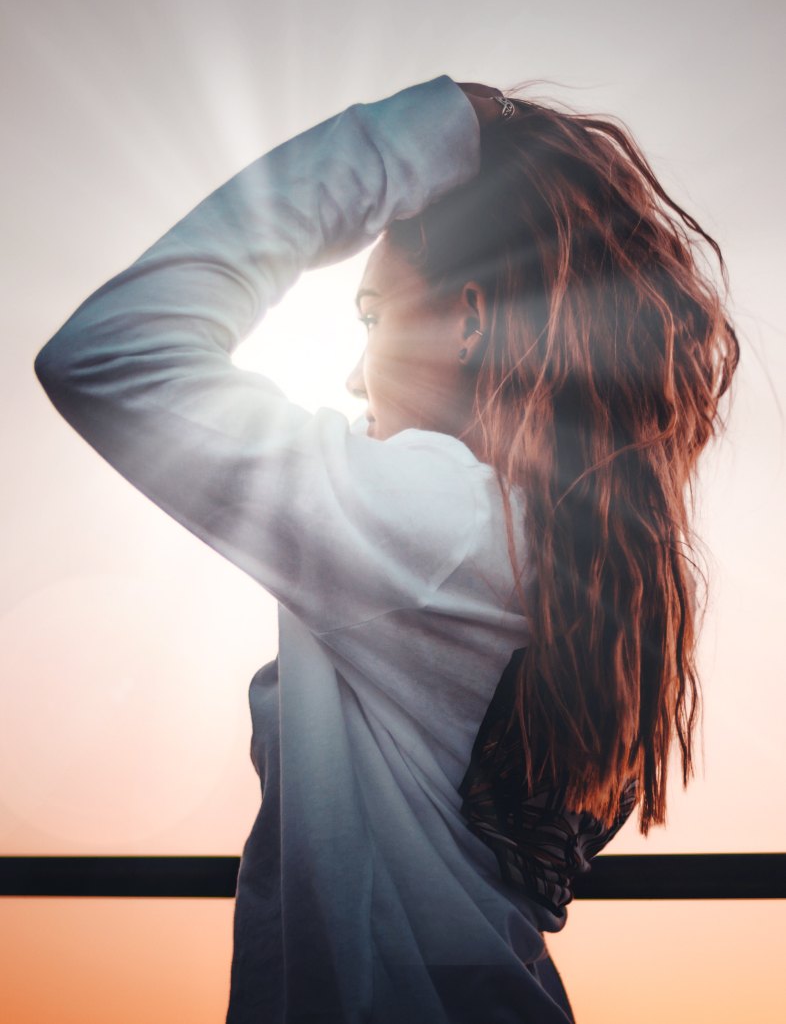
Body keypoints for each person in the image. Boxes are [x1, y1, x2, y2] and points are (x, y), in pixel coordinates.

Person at [33, 73, 739, 1023]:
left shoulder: (438, 528)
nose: (352, 372)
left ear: (473, 322)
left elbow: (111, 350)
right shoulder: (570, 560)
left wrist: (431, 129)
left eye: (372, 319)